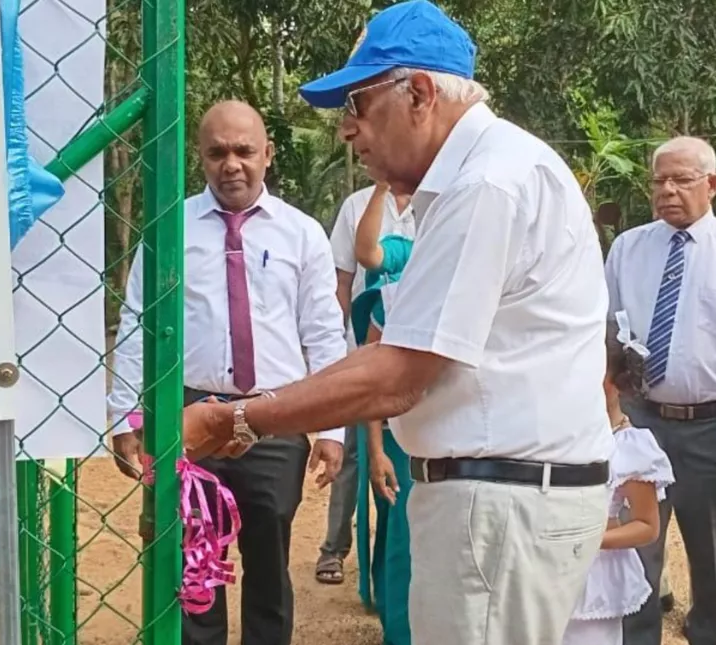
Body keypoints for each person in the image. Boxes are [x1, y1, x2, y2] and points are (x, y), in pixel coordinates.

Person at [179, 2, 615, 644]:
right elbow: (390, 351)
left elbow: (398, 375)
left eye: (358, 104)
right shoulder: (485, 177)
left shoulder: (488, 186)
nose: (347, 130)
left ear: (417, 94)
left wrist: (235, 418)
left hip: (501, 501)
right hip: (498, 496)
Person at [106, 100, 346, 645]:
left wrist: (332, 429)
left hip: (274, 416)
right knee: (194, 567)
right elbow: (138, 321)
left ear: (268, 154)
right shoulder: (169, 231)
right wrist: (124, 413)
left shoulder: (302, 234)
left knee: (269, 561)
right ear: (201, 157)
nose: (231, 164)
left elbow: (325, 334)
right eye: (217, 152)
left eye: (244, 151)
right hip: (191, 417)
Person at [604, 136, 716, 645]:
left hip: (715, 429)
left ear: (713, 185)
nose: (667, 190)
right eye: (659, 180)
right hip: (641, 423)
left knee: (710, 557)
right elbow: (608, 333)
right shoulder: (628, 248)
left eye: (681, 179)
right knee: (635, 552)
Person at [316, 178, 414, 586]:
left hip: (412, 352)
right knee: (351, 452)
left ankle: (392, 568)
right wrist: (336, 346)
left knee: (404, 459)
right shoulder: (357, 206)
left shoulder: (436, 202)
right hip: (360, 347)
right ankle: (333, 550)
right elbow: (343, 279)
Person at [562, 312, 674, 645]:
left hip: (595, 578)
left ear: (613, 383)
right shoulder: (561, 436)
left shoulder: (630, 446)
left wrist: (594, 539)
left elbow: (647, 525)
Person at [347, 191, 415, 645]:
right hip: (400, 435)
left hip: (464, 435)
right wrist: (375, 450)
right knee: (403, 538)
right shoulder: (407, 252)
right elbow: (367, 252)